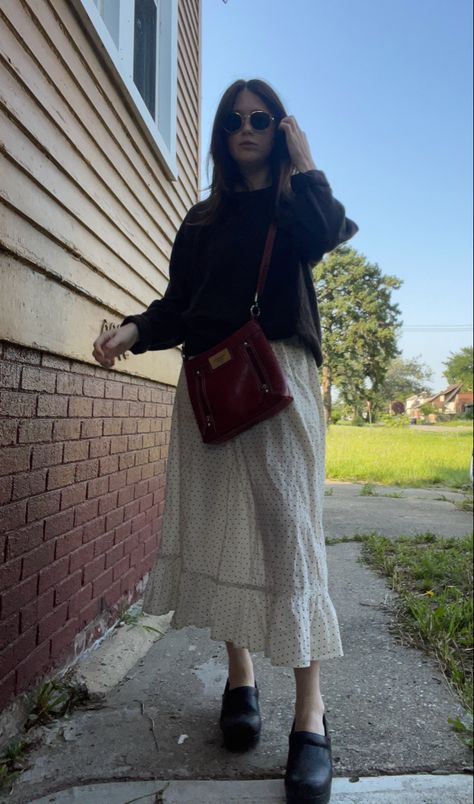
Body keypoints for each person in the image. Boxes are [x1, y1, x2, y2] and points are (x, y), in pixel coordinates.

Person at [93, 78, 358, 804]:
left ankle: (311, 713)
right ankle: (240, 674)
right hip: (211, 385)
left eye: (262, 119)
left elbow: (328, 232)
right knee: (220, 527)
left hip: (280, 377)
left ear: (279, 127)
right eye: (236, 120)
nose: (248, 128)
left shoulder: (292, 202)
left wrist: (303, 161)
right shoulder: (202, 219)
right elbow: (181, 304)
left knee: (290, 533)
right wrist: (135, 329)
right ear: (221, 132)